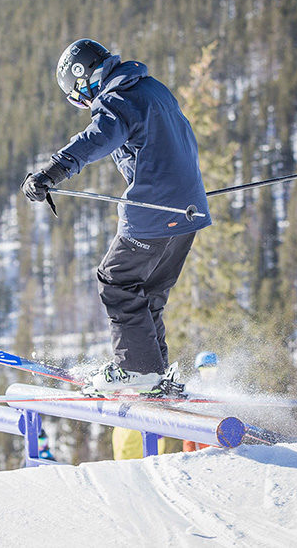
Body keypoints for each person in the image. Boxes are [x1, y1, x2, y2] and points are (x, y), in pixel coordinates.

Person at [23, 38, 211, 395]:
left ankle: (137, 369)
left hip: (156, 210)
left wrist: (51, 172)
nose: (85, 104)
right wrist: (185, 191)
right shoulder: (152, 88)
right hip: (189, 211)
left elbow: (96, 138)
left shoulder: (118, 99)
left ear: (86, 79)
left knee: (116, 281)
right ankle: (152, 374)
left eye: (79, 97)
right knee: (148, 292)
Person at [184, 351, 219, 453]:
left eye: (211, 368)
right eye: (204, 368)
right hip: (198, 433)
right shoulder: (193, 389)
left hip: (217, 435)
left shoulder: (223, 388)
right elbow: (188, 435)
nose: (208, 372)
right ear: (198, 371)